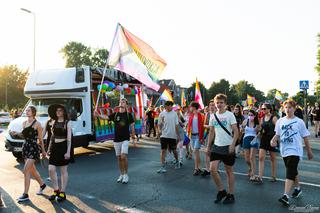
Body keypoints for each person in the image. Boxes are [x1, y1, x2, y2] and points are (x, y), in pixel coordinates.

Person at [270, 100, 313, 206]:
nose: (288, 109)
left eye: (290, 107)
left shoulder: (299, 122)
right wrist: (273, 140)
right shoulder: (280, 121)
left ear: (294, 108)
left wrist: (309, 151)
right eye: (286, 107)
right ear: (283, 109)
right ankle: (298, 189)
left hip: (295, 150)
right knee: (292, 170)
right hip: (285, 150)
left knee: (290, 170)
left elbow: (305, 137)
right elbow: (278, 134)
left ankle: (285, 196)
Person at [207, 94, 239, 204]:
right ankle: (221, 190)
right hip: (216, 146)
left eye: (221, 102)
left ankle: (231, 194)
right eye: (217, 103)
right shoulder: (212, 116)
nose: (219, 104)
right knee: (212, 169)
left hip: (228, 146)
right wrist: (208, 146)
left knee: (228, 171)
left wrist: (232, 145)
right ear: (215, 104)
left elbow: (236, 131)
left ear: (225, 104)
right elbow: (211, 132)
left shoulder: (230, 115)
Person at [95, 98, 135, 183]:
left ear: (126, 105)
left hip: (125, 138)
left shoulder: (129, 115)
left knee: (123, 156)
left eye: (123, 102)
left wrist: (133, 137)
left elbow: (132, 126)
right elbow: (105, 117)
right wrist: (98, 115)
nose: (121, 103)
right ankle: (121, 174)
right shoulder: (115, 114)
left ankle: (126, 174)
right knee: (119, 158)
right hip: (116, 139)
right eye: (120, 101)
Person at [13, 106, 47, 202]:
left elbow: (40, 139)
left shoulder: (38, 124)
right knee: (33, 171)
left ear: (33, 112)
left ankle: (25, 194)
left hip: (34, 148)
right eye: (26, 110)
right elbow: (24, 135)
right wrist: (16, 133)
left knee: (25, 170)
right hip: (26, 147)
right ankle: (42, 185)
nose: (27, 112)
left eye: (29, 110)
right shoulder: (24, 123)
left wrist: (43, 151)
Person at [46, 105, 72, 202]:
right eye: (57, 111)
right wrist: (48, 149)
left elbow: (69, 139)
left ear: (63, 112)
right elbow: (52, 137)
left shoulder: (67, 123)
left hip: (63, 147)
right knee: (51, 169)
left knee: (63, 171)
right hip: (54, 148)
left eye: (60, 110)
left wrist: (68, 152)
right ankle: (56, 190)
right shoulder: (53, 122)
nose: (58, 112)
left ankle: (62, 192)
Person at [256, 103, 278, 184]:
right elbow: (261, 129)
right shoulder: (262, 118)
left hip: (272, 139)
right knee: (261, 158)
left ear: (269, 109)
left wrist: (276, 139)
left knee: (273, 159)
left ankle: (273, 176)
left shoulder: (274, 117)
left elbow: (278, 129)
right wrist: (258, 131)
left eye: (264, 109)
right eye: (262, 109)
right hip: (264, 139)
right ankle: (260, 177)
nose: (263, 110)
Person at [157, 101, 180, 173]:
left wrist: (178, 135)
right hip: (164, 135)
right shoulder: (162, 113)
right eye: (169, 106)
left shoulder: (175, 114)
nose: (171, 107)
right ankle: (162, 166)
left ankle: (177, 161)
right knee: (163, 150)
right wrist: (159, 131)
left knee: (174, 150)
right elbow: (159, 124)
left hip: (172, 136)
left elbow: (176, 125)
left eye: (171, 106)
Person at [241, 110, 260, 181]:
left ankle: (253, 174)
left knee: (252, 157)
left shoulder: (257, 123)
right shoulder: (245, 121)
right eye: (249, 115)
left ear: (254, 116)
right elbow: (242, 130)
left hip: (254, 139)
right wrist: (242, 129)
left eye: (251, 115)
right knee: (247, 159)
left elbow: (260, 132)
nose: (250, 116)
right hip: (246, 139)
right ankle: (251, 167)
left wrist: (257, 132)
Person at [187, 101, 205, 176]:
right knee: (196, 153)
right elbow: (189, 126)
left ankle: (196, 168)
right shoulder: (191, 116)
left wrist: (202, 138)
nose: (190, 108)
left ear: (194, 107)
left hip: (198, 136)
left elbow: (202, 127)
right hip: (192, 136)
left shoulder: (201, 115)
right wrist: (188, 134)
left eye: (191, 107)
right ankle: (199, 168)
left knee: (195, 151)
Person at [202, 100, 216, 177]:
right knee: (207, 152)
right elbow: (204, 125)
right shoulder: (207, 114)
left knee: (215, 153)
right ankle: (207, 169)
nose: (211, 106)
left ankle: (214, 168)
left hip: (217, 136)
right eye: (210, 105)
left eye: (213, 105)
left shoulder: (218, 114)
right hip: (209, 134)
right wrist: (210, 126)